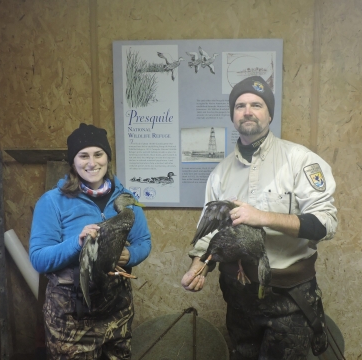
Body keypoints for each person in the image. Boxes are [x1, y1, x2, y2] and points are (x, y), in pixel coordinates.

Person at [181, 76, 338, 360]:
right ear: (233, 115)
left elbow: (326, 224)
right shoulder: (220, 174)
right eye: (240, 105)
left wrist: (262, 217)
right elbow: (207, 236)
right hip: (238, 301)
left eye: (257, 104)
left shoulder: (300, 161)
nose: (248, 111)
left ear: (269, 114)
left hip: (289, 299)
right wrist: (197, 268)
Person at [29, 123, 152, 359]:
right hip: (71, 321)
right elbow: (39, 258)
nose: (92, 163)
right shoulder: (53, 201)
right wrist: (77, 242)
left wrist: (131, 255)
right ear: (73, 162)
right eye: (83, 155)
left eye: (98, 154)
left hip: (117, 314)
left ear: (108, 158)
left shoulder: (126, 199)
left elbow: (143, 241)